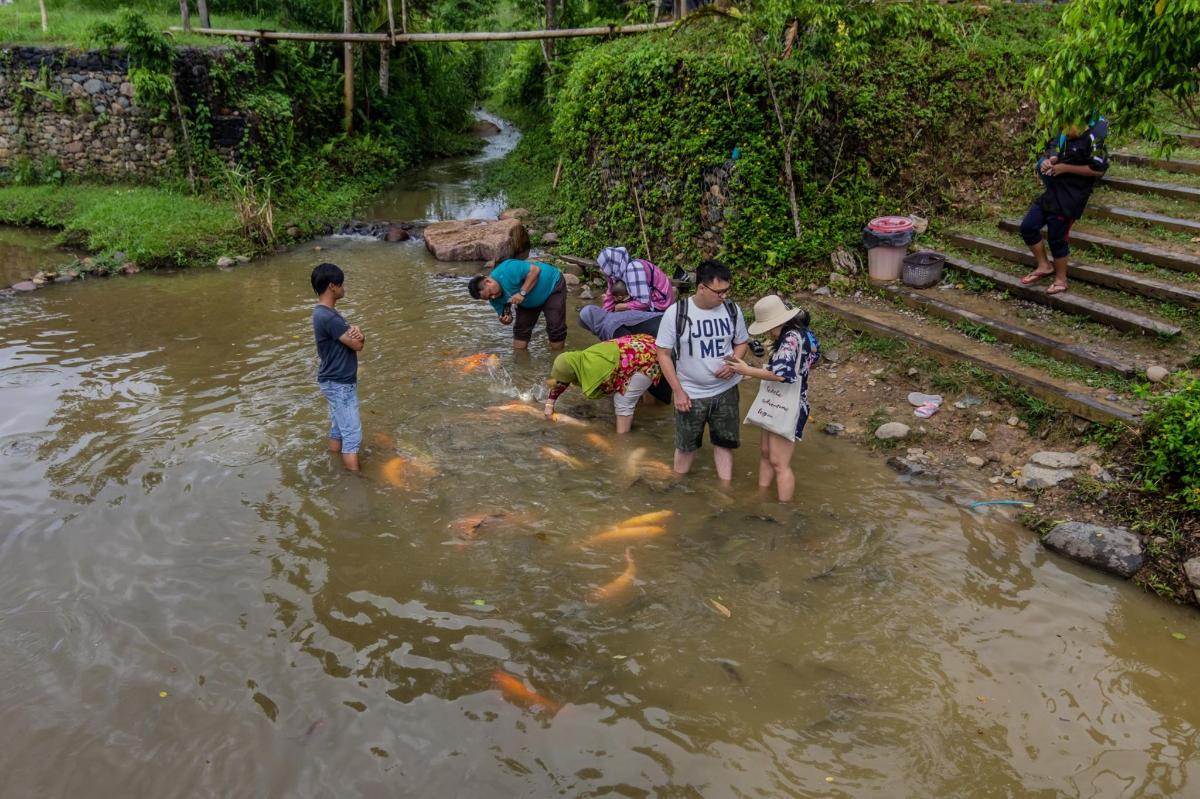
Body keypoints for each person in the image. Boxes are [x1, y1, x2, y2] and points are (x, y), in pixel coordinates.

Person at [654, 259, 749, 483]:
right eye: (719, 292)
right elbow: (663, 354)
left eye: (727, 290)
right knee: (685, 447)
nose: (724, 296)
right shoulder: (676, 313)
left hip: (726, 390)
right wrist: (677, 391)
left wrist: (732, 364)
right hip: (690, 393)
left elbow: (742, 342)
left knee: (725, 444)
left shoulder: (732, 310)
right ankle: (677, 490)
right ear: (702, 288)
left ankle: (725, 491)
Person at [724, 295, 820, 503]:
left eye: (768, 327)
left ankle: (783, 511)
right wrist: (755, 372)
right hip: (779, 400)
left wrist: (747, 369)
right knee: (766, 452)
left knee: (779, 462)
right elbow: (801, 363)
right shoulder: (799, 334)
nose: (768, 332)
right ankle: (762, 496)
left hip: (789, 404)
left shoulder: (791, 338)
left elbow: (782, 374)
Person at [1018, 121, 1109, 295]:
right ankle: (1044, 265)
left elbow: (1099, 170)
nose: (1064, 133)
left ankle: (1061, 279)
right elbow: (1055, 149)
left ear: (1081, 125)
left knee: (1056, 236)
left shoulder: (1095, 137)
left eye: (1068, 130)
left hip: (1073, 196)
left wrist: (1065, 168)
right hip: (1054, 190)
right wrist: (1050, 161)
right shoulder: (1065, 131)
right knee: (1028, 226)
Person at [543, 334, 667, 434]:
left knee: (622, 400)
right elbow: (562, 381)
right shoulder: (579, 360)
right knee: (635, 388)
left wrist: (584, 425)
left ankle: (623, 438)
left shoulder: (596, 369)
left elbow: (609, 387)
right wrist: (550, 404)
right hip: (642, 345)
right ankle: (650, 409)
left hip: (648, 358)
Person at [311, 262, 365, 472]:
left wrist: (358, 333)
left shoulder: (322, 313)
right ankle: (356, 483)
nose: (344, 288)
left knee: (338, 430)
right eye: (341, 284)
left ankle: (333, 465)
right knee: (352, 435)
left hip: (331, 380)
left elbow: (353, 340)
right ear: (332, 286)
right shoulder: (330, 317)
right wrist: (360, 334)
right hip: (340, 382)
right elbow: (357, 345)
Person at [468, 258, 567, 351]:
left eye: (490, 294)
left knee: (555, 327)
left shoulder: (507, 268)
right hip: (528, 302)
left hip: (552, 286)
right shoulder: (494, 299)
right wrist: (506, 320)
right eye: (488, 298)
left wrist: (522, 293)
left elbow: (535, 270)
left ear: (488, 282)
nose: (493, 297)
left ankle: (557, 358)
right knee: (520, 332)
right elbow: (505, 316)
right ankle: (520, 365)